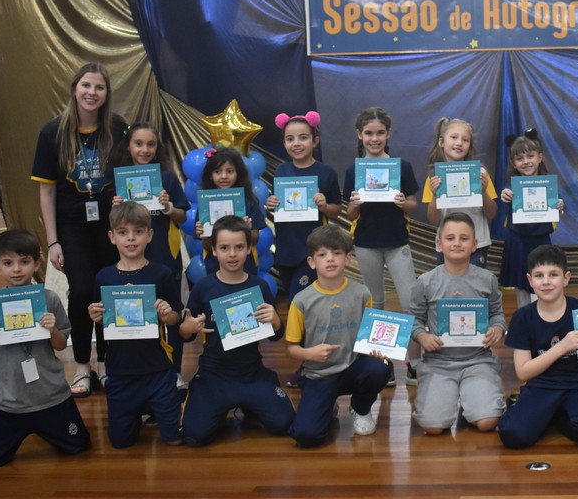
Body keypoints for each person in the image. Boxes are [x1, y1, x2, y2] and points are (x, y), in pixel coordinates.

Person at [32, 62, 126, 397]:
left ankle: (108, 364)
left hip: (110, 224)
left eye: (99, 87)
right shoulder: (52, 132)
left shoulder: (117, 128)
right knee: (83, 290)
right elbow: (46, 192)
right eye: (86, 85)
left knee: (108, 289)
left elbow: (131, 176)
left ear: (106, 94)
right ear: (74, 89)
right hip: (71, 224)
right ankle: (83, 365)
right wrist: (52, 241)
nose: (92, 92)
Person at [0, 230, 91, 466]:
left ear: (37, 263)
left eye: (24, 261)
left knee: (79, 445)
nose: (16, 269)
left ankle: (42, 427)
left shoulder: (49, 299)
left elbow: (60, 345)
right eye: (8, 263)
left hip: (51, 397)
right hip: (9, 401)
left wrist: (52, 329)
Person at [180, 216, 295, 446]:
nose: (232, 254)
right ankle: (216, 406)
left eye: (239, 247)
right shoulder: (203, 287)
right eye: (224, 248)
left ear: (249, 249)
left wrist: (275, 321)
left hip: (252, 373)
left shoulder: (259, 286)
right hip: (214, 375)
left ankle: (252, 403)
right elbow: (185, 333)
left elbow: (276, 336)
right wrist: (188, 327)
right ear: (214, 250)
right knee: (194, 436)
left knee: (284, 424)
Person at [498, 245, 578, 449]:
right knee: (513, 434)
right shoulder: (523, 317)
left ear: (566, 278)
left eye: (553, 274)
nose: (546, 281)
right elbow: (523, 372)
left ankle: (553, 416)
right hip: (540, 385)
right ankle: (544, 413)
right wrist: (561, 347)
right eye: (539, 275)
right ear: (530, 280)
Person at [86, 201, 184, 448]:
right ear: (112, 237)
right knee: (121, 442)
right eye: (123, 232)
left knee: (174, 438)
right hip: (121, 372)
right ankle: (138, 409)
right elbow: (101, 323)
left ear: (149, 235)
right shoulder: (104, 277)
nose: (131, 238)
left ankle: (156, 405)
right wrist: (95, 315)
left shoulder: (161, 274)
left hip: (158, 370)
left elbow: (176, 318)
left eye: (138, 232)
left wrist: (167, 314)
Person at [286, 224, 393, 447]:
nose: (330, 259)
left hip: (352, 367)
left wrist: (377, 349)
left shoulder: (362, 293)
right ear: (312, 262)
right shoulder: (301, 300)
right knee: (307, 436)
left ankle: (360, 409)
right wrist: (310, 354)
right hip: (318, 374)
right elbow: (291, 348)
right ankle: (327, 402)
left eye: (336, 253)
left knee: (381, 367)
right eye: (322, 254)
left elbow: (369, 336)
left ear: (348, 259)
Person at [341, 107, 420, 388]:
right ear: (359, 135)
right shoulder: (354, 170)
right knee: (376, 303)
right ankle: (382, 365)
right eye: (369, 133)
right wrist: (354, 204)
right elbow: (350, 213)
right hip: (366, 243)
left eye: (380, 133)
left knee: (410, 302)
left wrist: (403, 202)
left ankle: (414, 363)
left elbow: (414, 204)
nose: (374, 138)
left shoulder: (402, 166)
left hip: (397, 242)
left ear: (388, 134)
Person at [409, 213, 506, 435]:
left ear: (475, 245)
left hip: (478, 360)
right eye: (450, 238)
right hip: (438, 362)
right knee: (433, 427)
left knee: (487, 423)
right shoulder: (425, 281)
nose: (457, 243)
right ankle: (450, 396)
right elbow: (414, 319)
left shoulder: (487, 279)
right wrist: (422, 336)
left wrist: (497, 328)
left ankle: (472, 399)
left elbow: (497, 314)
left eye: (464, 238)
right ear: (439, 243)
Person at [110, 123, 190, 383]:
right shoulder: (118, 180)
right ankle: (143, 371)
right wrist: (114, 208)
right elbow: (114, 225)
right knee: (138, 312)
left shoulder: (167, 178)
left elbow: (183, 215)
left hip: (166, 255)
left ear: (157, 148)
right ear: (128, 147)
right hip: (133, 260)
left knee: (171, 312)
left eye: (150, 144)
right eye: (139, 144)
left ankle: (175, 371)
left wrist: (167, 207)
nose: (144, 149)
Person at [264, 111, 342, 296]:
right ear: (284, 143)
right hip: (286, 249)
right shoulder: (281, 171)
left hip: (313, 248)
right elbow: (277, 203)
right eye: (290, 139)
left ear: (315, 141)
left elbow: (337, 209)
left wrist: (325, 206)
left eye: (303, 137)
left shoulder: (326, 172)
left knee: (297, 299)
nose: (296, 143)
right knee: (298, 298)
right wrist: (271, 202)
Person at [498, 129, 564, 308]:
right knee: (521, 286)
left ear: (540, 157)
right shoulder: (510, 186)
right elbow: (505, 196)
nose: (526, 162)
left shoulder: (548, 184)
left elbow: (557, 203)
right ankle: (524, 318)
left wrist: (560, 204)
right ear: (513, 162)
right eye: (520, 158)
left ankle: (540, 318)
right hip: (518, 242)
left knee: (542, 283)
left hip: (541, 241)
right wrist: (505, 195)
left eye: (530, 156)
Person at [423, 117, 499, 268]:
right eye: (454, 137)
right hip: (447, 245)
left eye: (465, 140)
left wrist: (483, 192)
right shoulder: (434, 177)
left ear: (469, 146)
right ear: (441, 142)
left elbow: (492, 213)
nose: (459, 143)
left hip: (477, 244)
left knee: (475, 283)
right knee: (447, 283)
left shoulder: (480, 174)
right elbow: (433, 219)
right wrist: (436, 196)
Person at [195, 147, 266, 276]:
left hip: (245, 267)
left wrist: (248, 230)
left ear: (238, 173)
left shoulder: (248, 202)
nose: (224, 176)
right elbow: (206, 246)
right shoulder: (205, 205)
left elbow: (255, 239)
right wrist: (205, 237)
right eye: (217, 171)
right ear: (210, 175)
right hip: (216, 268)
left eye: (229, 171)